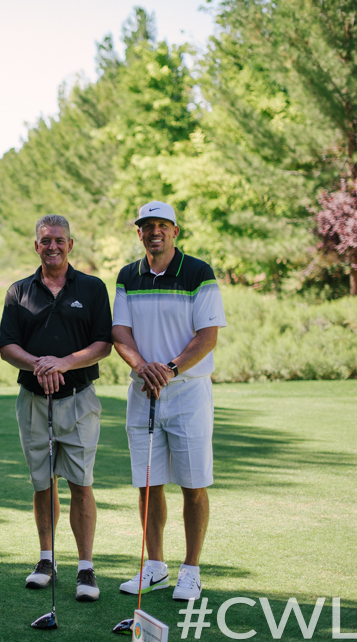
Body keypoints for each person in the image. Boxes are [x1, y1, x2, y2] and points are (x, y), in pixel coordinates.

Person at [111, 200, 226, 602]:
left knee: (193, 485)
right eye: (147, 226)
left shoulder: (198, 273)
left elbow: (207, 337)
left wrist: (170, 369)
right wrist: (144, 367)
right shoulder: (128, 276)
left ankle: (191, 570)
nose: (154, 232)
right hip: (143, 389)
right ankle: (155, 566)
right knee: (147, 484)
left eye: (162, 225)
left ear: (175, 231)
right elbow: (120, 333)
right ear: (138, 232)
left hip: (187, 391)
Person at [0, 214, 113, 602]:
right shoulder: (18, 291)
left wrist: (63, 363)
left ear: (70, 244)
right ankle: (46, 560)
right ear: (36, 246)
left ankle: (86, 567)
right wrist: (39, 365)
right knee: (42, 482)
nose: (52, 246)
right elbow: (7, 346)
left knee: (81, 483)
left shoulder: (93, 288)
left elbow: (103, 343)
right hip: (33, 400)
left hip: (79, 399)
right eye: (45, 240)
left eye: (59, 240)